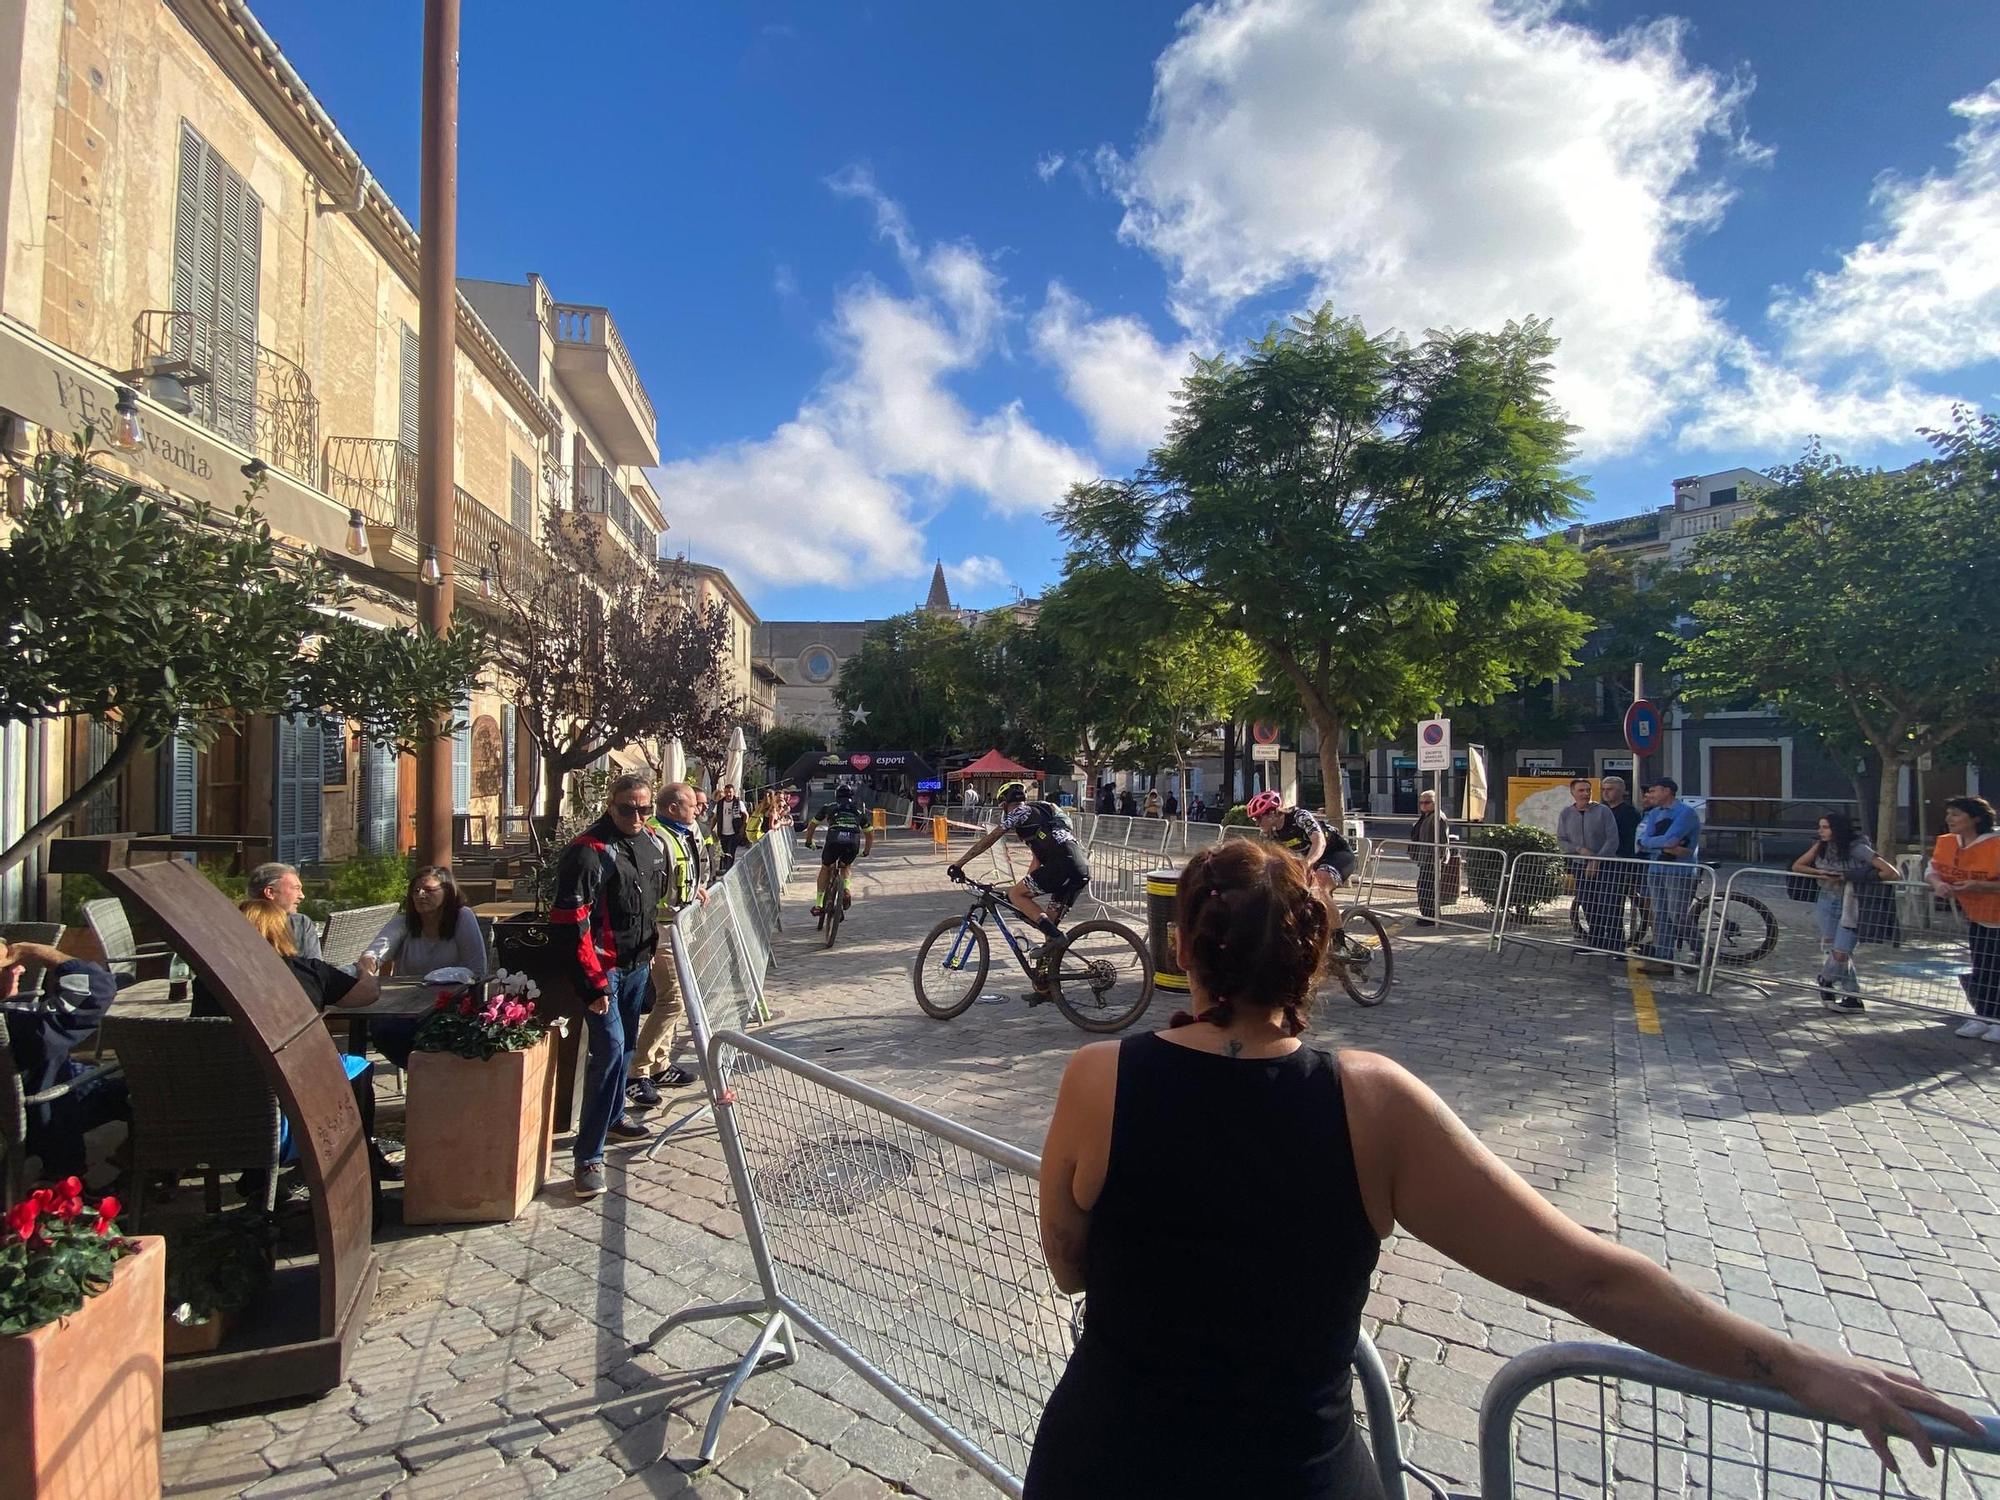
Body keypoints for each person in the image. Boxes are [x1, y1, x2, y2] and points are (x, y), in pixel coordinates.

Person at [1025, 839, 1981, 1497]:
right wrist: (1799, 1365)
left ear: (1182, 946)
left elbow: (1068, 1261)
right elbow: (1585, 1275)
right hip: (1293, 1476)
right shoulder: (1372, 1102)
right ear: (1315, 957)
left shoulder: (1099, 1078)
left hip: (1103, 1463)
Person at [196, 899, 400, 1191]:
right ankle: (357, 1160)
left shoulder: (207, 982)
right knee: (357, 1067)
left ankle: (256, 1175)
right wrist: (366, 971)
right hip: (293, 1120)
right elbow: (368, 994)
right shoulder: (308, 972)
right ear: (283, 932)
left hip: (221, 1119)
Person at [552, 771, 665, 1198]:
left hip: (637, 966)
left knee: (628, 1047)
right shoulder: (586, 853)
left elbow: (649, 905)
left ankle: (615, 1116)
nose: (636, 815)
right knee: (610, 1053)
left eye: (644, 808)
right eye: (627, 808)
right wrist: (593, 985)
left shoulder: (648, 842)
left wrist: (650, 950)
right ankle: (588, 1157)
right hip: (606, 973)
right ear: (609, 805)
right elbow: (570, 925)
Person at [949, 782, 1091, 997]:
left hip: (1062, 864)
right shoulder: (1042, 814)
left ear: (1005, 804)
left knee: (1018, 896)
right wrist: (1021, 894)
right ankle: (1045, 987)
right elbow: (1037, 860)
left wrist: (959, 863)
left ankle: (1056, 939)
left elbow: (991, 838)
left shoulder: (1020, 811)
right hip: (1079, 866)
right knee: (1047, 924)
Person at [3, 938, 126, 1183]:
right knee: (150, 1091)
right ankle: (131, 1179)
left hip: (23, 1107)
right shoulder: (18, 1026)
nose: (21, 968)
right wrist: (39, 951)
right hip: (46, 1114)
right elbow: (97, 990)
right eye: (8, 964)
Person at [626, 780, 710, 1106]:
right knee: (673, 999)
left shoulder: (679, 832)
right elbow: (647, 890)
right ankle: (637, 1071)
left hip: (676, 927)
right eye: (692, 805)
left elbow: (680, 876)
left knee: (673, 999)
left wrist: (694, 890)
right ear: (674, 808)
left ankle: (660, 1064)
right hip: (660, 932)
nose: (698, 809)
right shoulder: (657, 837)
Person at [1792, 813, 1901, 1011]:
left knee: (1842, 951)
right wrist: (1819, 872)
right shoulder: (1821, 846)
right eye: (1820, 827)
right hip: (1827, 899)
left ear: (1837, 828)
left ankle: (1825, 979)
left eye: (1825, 827)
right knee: (1831, 949)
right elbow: (1798, 865)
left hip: (1851, 901)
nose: (1821, 831)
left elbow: (1891, 872)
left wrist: (1848, 876)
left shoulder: (1857, 848)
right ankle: (1853, 996)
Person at [1926, 795, 2000, 1043]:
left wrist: (1980, 885)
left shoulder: (1995, 845)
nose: (1949, 819)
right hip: (1978, 916)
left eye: (1956, 814)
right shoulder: (1948, 843)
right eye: (1948, 813)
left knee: (1995, 966)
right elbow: (1933, 869)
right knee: (1983, 965)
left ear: (1975, 818)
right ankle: (1984, 1015)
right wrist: (1938, 885)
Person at [1246, 790, 1359, 952]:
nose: (1256, 823)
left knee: (1319, 887)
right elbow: (1267, 860)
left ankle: (1340, 943)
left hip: (1337, 855)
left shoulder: (1300, 817)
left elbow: (1319, 842)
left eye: (1258, 817)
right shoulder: (1269, 834)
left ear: (1272, 813)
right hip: (1314, 862)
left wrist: (1308, 863)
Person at [358, 866, 487, 990]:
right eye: (416, 891)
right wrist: (367, 969)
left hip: (452, 998)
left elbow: (477, 969)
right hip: (406, 997)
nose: (420, 895)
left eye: (429, 890)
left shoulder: (462, 916)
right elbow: (374, 954)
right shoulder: (402, 921)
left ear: (447, 892)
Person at [1636, 778, 1703, 973]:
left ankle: (1702, 952)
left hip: (1678, 870)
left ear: (1667, 791)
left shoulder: (1686, 813)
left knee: (1678, 914)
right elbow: (1643, 840)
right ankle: (1664, 958)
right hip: (1656, 867)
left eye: (1654, 791)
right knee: (1660, 914)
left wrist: (1657, 843)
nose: (1651, 795)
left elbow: (1671, 838)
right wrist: (1663, 845)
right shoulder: (1654, 813)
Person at [1557, 778, 1621, 955]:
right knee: (1588, 902)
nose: (1585, 794)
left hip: (1606, 864)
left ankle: (1616, 945)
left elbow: (1612, 839)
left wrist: (1597, 860)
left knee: (1608, 903)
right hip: (1580, 864)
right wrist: (1578, 849)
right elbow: (1562, 840)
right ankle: (1596, 941)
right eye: (1581, 791)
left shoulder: (1603, 811)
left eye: (1588, 790)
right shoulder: (1566, 814)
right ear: (1573, 793)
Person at [805, 785, 874, 915]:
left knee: (825, 867)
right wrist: (866, 851)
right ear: (851, 796)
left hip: (834, 839)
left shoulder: (829, 807)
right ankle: (846, 889)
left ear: (836, 795)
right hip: (852, 840)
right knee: (846, 866)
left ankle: (819, 904)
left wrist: (809, 842)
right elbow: (870, 832)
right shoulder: (858, 811)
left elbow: (812, 825)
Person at [247, 860, 322, 963]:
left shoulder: (301, 923)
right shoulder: (299, 924)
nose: (302, 896)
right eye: (296, 888)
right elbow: (316, 973)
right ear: (270, 892)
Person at [1407, 789, 1448, 926]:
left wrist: (1440, 857)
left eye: (1427, 802)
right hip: (1425, 857)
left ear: (1435, 803)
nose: (1423, 805)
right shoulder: (1426, 816)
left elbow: (1443, 840)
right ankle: (1428, 915)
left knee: (1428, 888)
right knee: (1424, 887)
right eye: (1421, 803)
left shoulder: (1438, 817)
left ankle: (1431, 917)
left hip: (1432, 859)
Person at [712, 783, 748, 873]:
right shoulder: (720, 804)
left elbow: (746, 815)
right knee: (724, 852)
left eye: (730, 792)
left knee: (731, 852)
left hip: (734, 832)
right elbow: (715, 817)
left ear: (734, 792)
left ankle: (729, 870)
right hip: (723, 832)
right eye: (726, 792)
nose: (728, 794)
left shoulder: (738, 803)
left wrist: (743, 827)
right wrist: (711, 829)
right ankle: (726, 869)